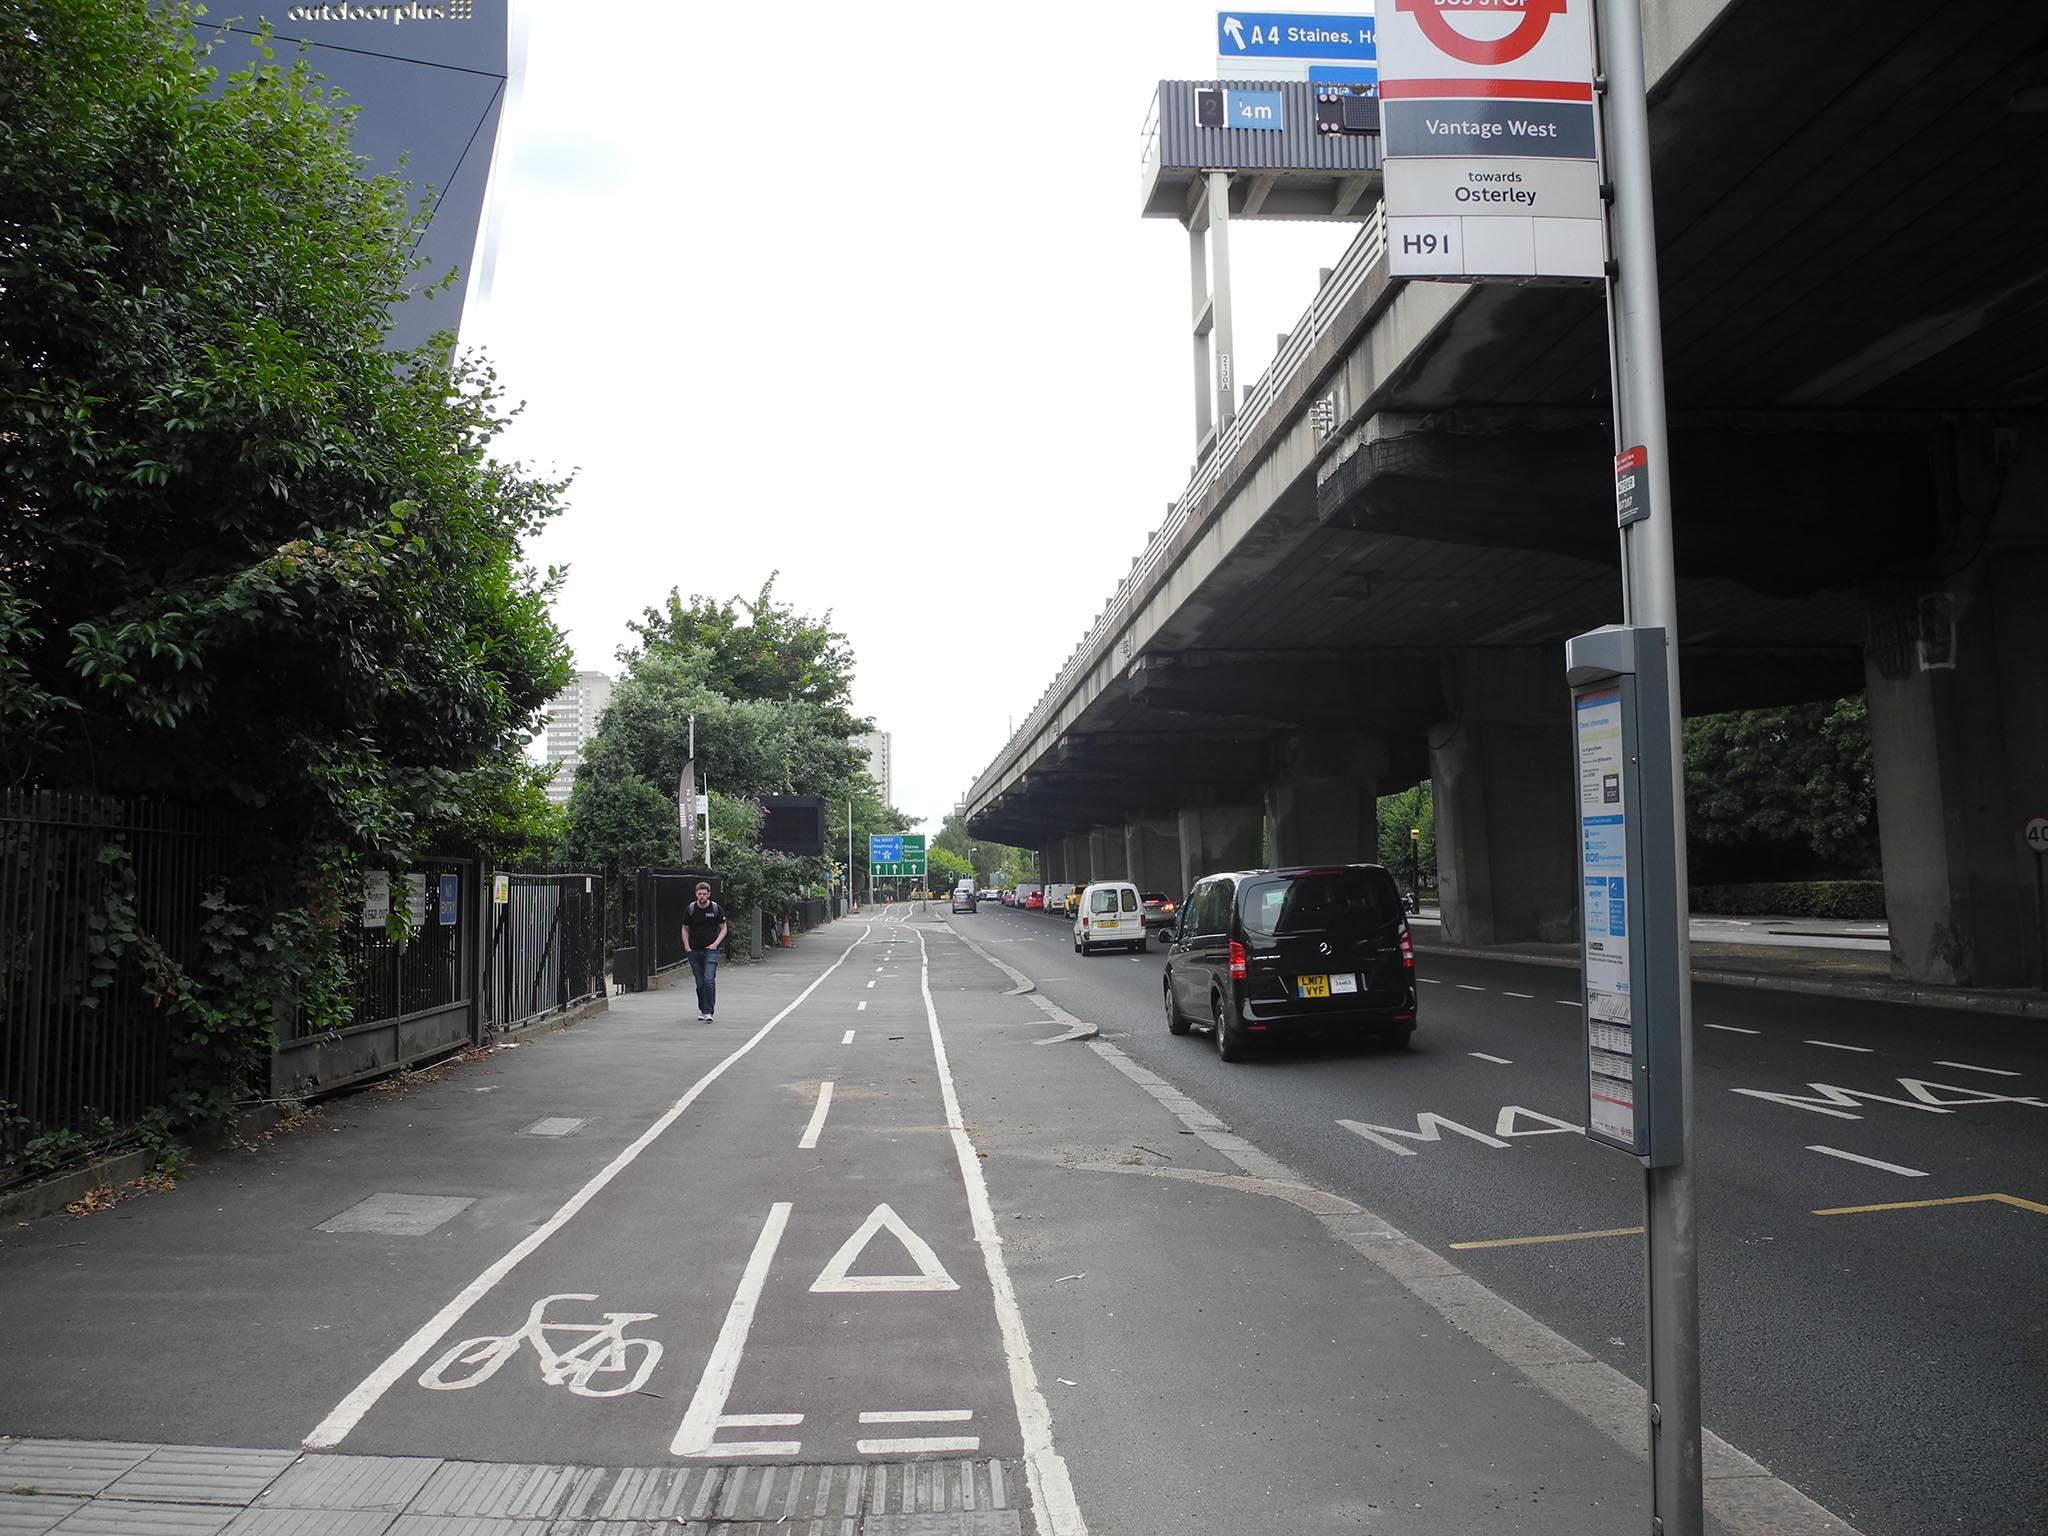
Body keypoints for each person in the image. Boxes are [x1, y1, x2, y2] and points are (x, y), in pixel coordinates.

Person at [681, 881, 728, 1021]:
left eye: (704, 894)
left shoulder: (715, 909)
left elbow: (723, 927)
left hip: (711, 951)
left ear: (709, 894)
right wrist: (687, 946)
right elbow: (685, 928)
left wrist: (716, 943)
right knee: (700, 983)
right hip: (694, 950)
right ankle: (703, 1009)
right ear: (696, 894)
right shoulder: (690, 909)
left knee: (709, 979)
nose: (701, 896)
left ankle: (709, 1012)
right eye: (699, 894)